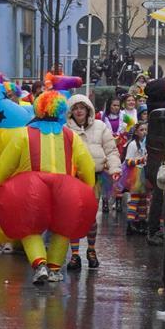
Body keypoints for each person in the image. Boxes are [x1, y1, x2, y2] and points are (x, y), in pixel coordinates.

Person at [0, 92, 96, 283]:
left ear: (38, 109)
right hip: (65, 187)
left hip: (31, 187)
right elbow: (86, 164)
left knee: (29, 228)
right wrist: (87, 186)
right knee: (62, 228)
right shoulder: (70, 135)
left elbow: (7, 162)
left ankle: (39, 263)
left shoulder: (24, 133)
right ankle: (54, 269)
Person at [65, 95, 122, 269]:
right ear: (71, 112)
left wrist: (115, 169)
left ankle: (91, 250)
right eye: (75, 108)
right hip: (73, 179)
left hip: (96, 178)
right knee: (73, 216)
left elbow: (111, 151)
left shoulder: (100, 126)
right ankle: (75, 255)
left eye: (82, 107)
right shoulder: (64, 130)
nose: (79, 111)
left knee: (90, 217)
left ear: (88, 109)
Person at [144, 78, 165, 245]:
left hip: (154, 160)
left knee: (158, 195)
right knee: (159, 197)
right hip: (161, 160)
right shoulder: (163, 109)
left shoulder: (151, 106)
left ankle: (155, 229)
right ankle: (154, 230)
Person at [123, 122, 150, 235]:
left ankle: (141, 222)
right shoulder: (133, 144)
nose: (144, 132)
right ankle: (130, 223)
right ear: (136, 132)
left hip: (145, 172)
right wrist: (140, 160)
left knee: (144, 199)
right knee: (135, 198)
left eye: (145, 130)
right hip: (136, 173)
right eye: (141, 130)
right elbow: (128, 161)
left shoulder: (147, 144)